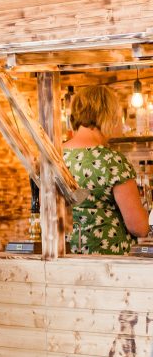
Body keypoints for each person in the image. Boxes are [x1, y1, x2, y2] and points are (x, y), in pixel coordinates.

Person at [63, 85, 149, 254]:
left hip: (66, 257)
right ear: (107, 115)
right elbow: (139, 227)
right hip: (108, 265)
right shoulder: (113, 161)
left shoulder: (56, 156)